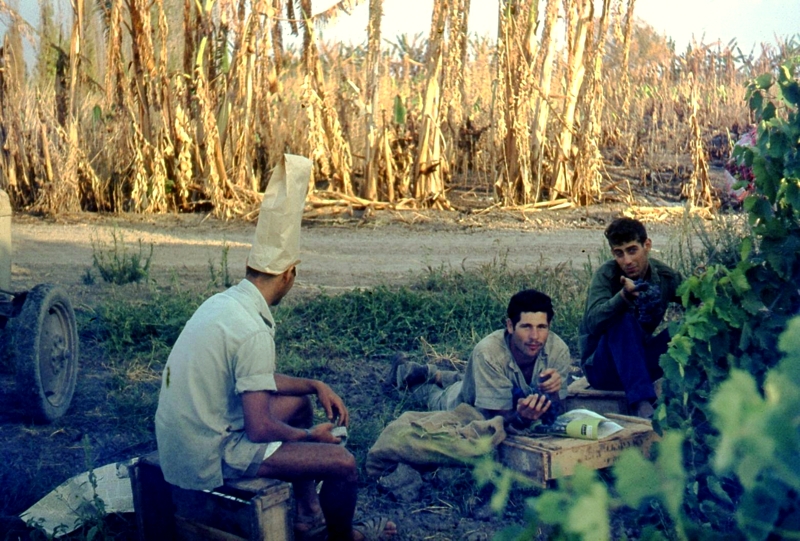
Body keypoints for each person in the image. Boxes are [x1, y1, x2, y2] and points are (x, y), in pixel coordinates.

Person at [155, 155, 396, 541]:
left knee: (299, 405)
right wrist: (308, 439)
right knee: (342, 463)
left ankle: (306, 513)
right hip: (208, 453)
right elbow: (260, 427)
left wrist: (313, 385)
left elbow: (256, 381)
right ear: (288, 275)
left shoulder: (226, 303)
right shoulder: (253, 331)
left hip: (186, 436)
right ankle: (343, 537)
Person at [389, 289, 573, 429]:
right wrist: (522, 417)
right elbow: (497, 419)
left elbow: (558, 410)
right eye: (526, 327)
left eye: (542, 327)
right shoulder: (488, 353)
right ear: (510, 326)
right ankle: (405, 374)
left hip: (496, 385)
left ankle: (433, 373)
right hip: (470, 402)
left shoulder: (558, 350)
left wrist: (554, 393)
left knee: (475, 378)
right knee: (436, 397)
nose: (535, 336)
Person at [579, 217, 682, 418]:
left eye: (632, 250)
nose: (627, 261)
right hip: (603, 370)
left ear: (647, 245)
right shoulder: (606, 276)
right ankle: (642, 403)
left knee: (682, 329)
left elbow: (694, 295)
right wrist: (623, 298)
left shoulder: (664, 276)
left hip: (640, 362)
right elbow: (592, 322)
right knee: (623, 320)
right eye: (619, 253)